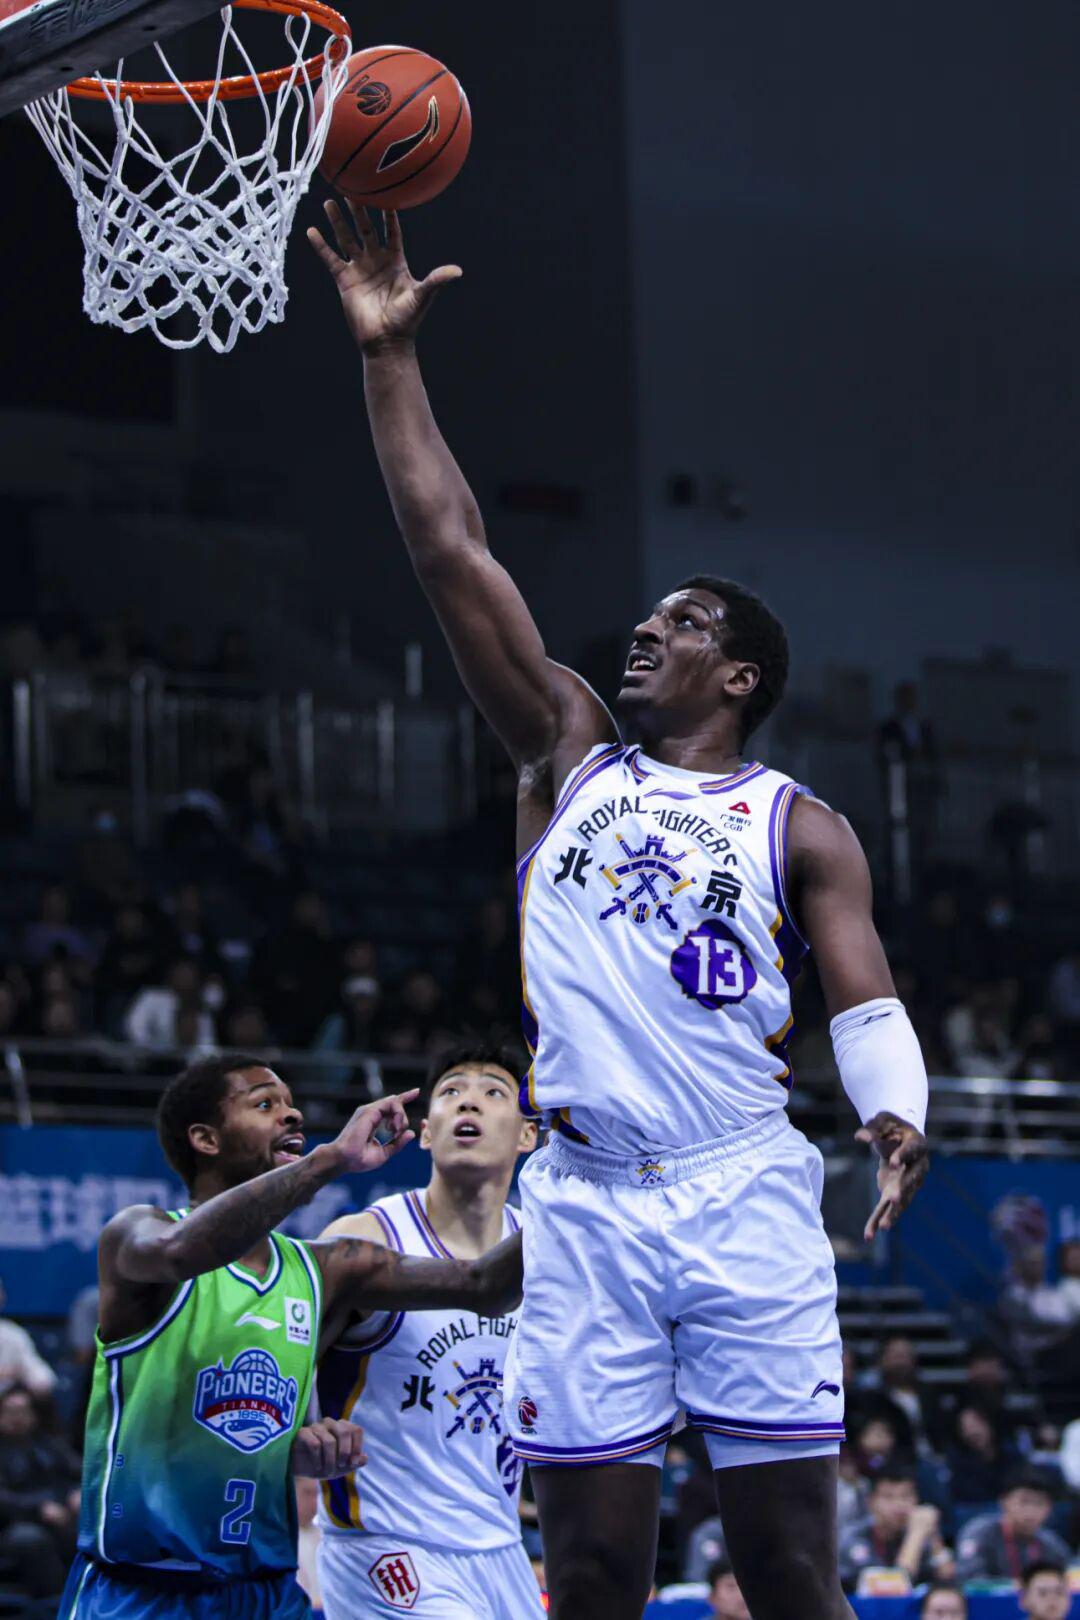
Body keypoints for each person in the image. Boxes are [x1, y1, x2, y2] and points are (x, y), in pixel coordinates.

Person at [309, 201, 932, 1620]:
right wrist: (389, 358)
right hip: (583, 1202)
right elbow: (453, 550)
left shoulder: (801, 825)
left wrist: (896, 1110)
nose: (649, 629)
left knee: (786, 1568)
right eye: (649, 617)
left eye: (687, 623)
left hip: (742, 1191)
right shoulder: (567, 754)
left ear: (742, 678)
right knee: (590, 1571)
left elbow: (867, 999)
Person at [58, 1052, 523, 1620]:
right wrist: (330, 1161)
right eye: (264, 1104)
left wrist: (572, 1181)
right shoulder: (137, 1235)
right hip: (142, 1591)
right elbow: (183, 1252)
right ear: (206, 1139)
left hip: (268, 1593)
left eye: (291, 1103)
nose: (292, 1114)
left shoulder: (327, 1269)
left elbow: (482, 1285)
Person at [314, 1037, 542, 1618]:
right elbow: (281, 1357)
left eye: (494, 1092)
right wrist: (300, 1433)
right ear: (426, 1132)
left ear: (527, 1135)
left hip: (501, 1546)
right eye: (451, 1092)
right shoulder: (366, 1238)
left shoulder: (541, 1250)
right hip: (385, 1545)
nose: (469, 1102)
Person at [0, 1384, 82, 1596]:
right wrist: (39, 1508)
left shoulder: (49, 1444)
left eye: (23, 1411)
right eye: (10, 1411)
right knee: (30, 1539)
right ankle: (54, 1601)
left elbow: (79, 1473)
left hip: (61, 1514)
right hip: (14, 1523)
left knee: (89, 1529)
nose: (17, 1418)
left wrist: (76, 1492)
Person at [837, 1468, 954, 1593]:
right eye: (889, 1497)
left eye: (906, 1496)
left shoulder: (919, 1532)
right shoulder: (852, 1538)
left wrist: (934, 1537)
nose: (899, 1504)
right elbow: (891, 1589)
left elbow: (949, 1582)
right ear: (871, 1502)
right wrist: (915, 1535)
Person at [955, 1470, 1072, 1582]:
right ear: (1004, 1502)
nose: (1031, 1511)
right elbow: (969, 1580)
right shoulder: (980, 1534)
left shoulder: (1053, 1546)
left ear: (1050, 1509)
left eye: (1039, 1503)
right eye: (1024, 1502)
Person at [0, 1278, 58, 1396]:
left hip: (5, 1401)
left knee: (18, 1402)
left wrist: (18, 1373)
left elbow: (44, 1379)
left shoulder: (13, 1335)